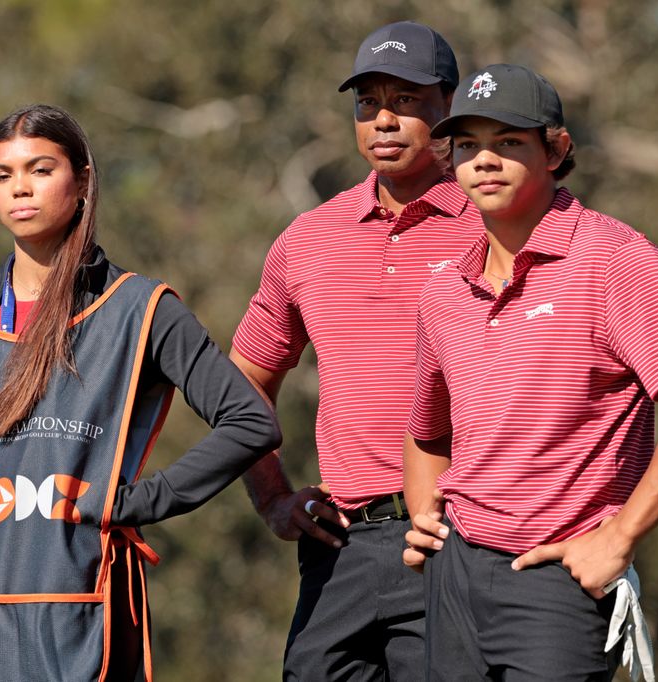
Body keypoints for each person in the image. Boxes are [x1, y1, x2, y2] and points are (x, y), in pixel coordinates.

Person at [0, 104, 281, 681]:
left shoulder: (141, 308)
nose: (19, 189)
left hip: (80, 628)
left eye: (40, 169)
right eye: (1, 176)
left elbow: (250, 422)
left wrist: (136, 502)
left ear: (82, 180)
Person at [403, 64, 658, 680]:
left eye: (509, 142)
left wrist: (620, 537)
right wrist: (422, 515)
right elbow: (428, 428)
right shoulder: (445, 289)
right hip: (454, 576)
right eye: (467, 145)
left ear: (557, 150)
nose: (484, 160)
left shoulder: (611, 259)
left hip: (554, 582)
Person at [229, 21, 481, 680]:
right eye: (369, 103)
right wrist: (273, 498)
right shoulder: (308, 239)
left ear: (448, 106)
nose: (384, 120)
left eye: (406, 100)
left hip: (460, 540)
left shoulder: (498, 225)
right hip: (341, 547)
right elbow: (244, 382)